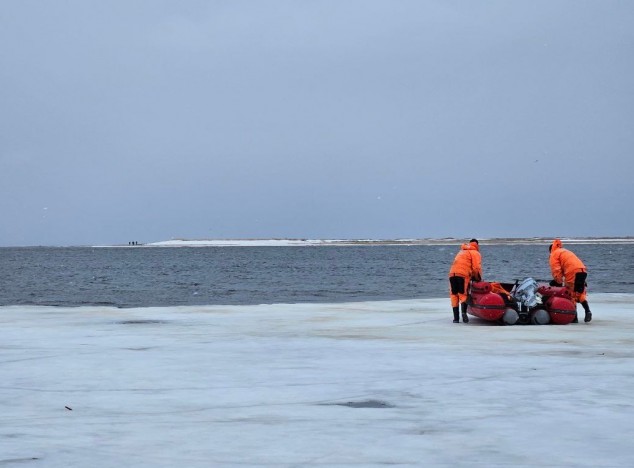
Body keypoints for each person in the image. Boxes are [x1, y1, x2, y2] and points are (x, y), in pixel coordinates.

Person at [548, 239, 592, 323]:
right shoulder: (564, 251)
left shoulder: (554, 254)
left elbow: (556, 270)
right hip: (582, 270)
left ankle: (574, 317)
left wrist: (557, 281)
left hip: (572, 271)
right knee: (580, 292)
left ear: (550, 250)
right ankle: (588, 311)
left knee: (571, 293)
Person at [448, 239, 482, 323]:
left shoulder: (462, 251)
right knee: (463, 294)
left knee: (454, 294)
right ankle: (464, 313)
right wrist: (478, 278)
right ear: (477, 245)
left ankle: (456, 318)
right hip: (463, 275)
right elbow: (476, 268)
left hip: (452, 274)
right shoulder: (475, 253)